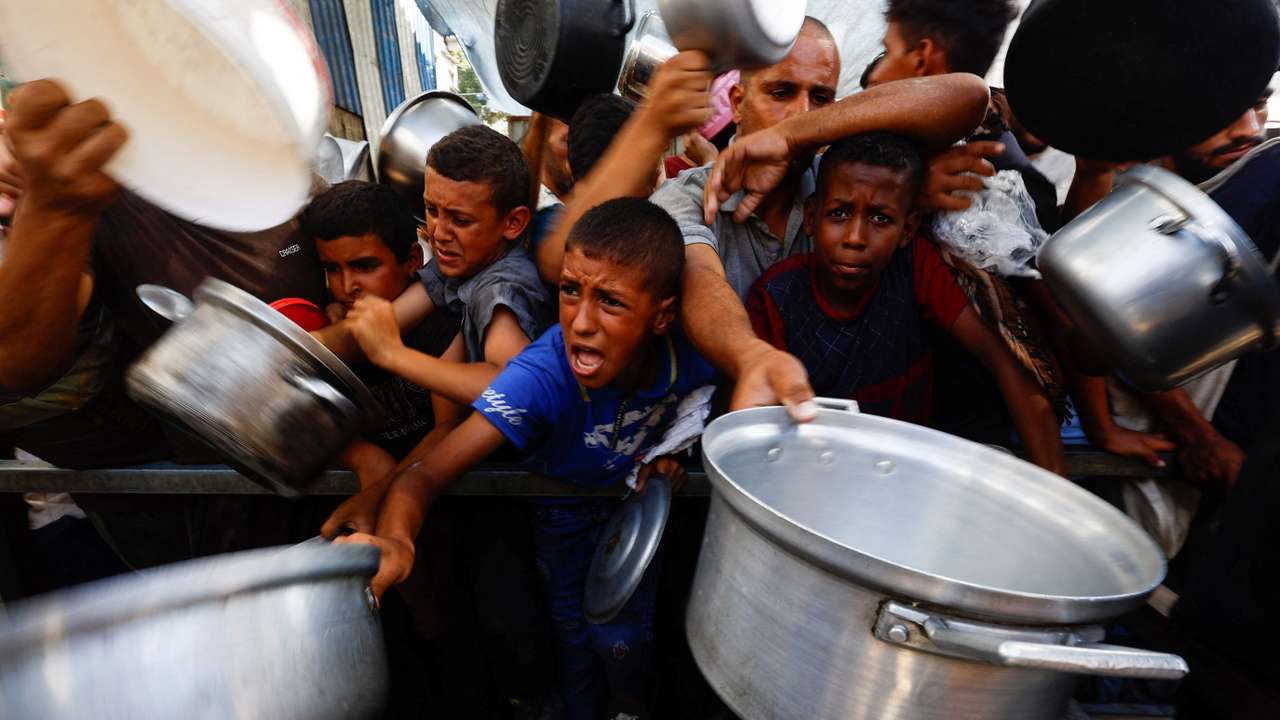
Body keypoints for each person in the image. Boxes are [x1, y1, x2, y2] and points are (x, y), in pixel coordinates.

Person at [335, 198, 717, 720]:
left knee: (628, 643)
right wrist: (398, 541)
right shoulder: (543, 374)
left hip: (634, 511)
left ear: (663, 316)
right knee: (574, 645)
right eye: (569, 291)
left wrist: (674, 450)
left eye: (610, 301)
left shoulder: (689, 353)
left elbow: (716, 398)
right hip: (558, 518)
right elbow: (425, 476)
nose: (581, 322)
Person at [537, 19, 990, 420]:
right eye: (780, 93)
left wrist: (790, 138)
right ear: (736, 102)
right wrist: (752, 356)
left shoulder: (843, 189)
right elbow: (699, 277)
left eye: (821, 98)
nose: (801, 111)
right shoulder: (690, 196)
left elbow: (969, 95)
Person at [746, 132, 1064, 471]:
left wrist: (1054, 490)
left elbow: (1003, 358)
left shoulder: (914, 267)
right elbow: (759, 429)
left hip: (901, 477)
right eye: (839, 213)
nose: (855, 238)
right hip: (806, 476)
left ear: (909, 228)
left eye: (880, 218)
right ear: (811, 216)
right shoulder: (775, 296)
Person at [317, 125, 553, 415]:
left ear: (513, 223)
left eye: (461, 220)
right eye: (431, 210)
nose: (438, 233)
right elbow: (387, 322)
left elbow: (514, 388)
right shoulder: (458, 262)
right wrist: (313, 342)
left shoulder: (500, 288)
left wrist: (393, 355)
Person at [299, 180, 465, 480]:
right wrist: (363, 458)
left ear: (413, 260)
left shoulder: (440, 325)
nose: (347, 286)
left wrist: (381, 491)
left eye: (365, 266)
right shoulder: (328, 320)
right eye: (332, 269)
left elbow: (447, 429)